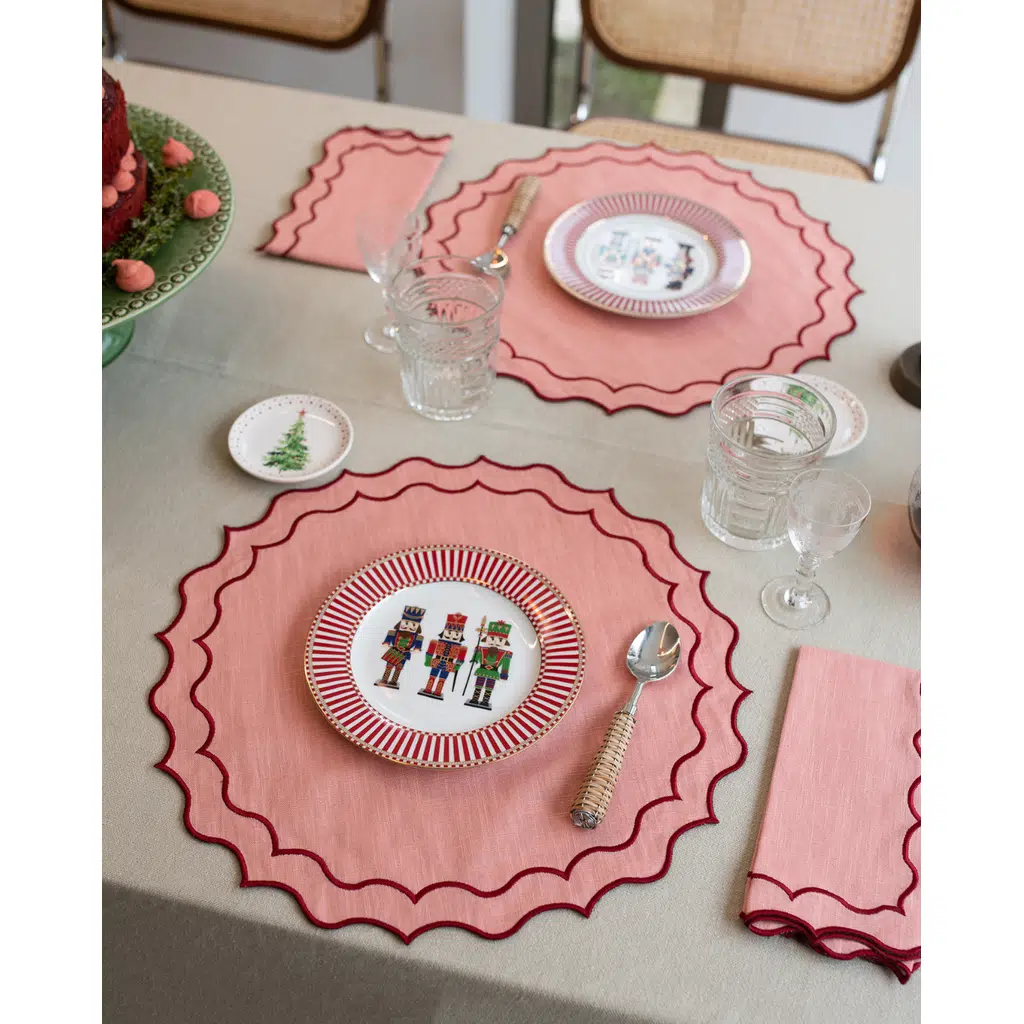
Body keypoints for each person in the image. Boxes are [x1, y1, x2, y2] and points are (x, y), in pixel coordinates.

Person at [465, 620, 513, 711]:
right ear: (486, 638)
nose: (495, 642)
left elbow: (506, 664)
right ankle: (475, 699)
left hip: (493, 673)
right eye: (492, 638)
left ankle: (485, 701)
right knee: (478, 685)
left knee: (489, 687)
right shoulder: (482, 649)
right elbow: (477, 656)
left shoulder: (505, 654)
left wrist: (504, 673)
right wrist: (474, 659)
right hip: (482, 670)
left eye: (500, 640)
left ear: (505, 642)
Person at [419, 613, 468, 700]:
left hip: (449, 664)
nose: (452, 635)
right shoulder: (436, 642)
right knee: (432, 676)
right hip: (437, 661)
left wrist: (457, 666)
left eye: (457, 634)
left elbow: (461, 658)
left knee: (443, 678)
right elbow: (430, 651)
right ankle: (428, 689)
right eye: (449, 632)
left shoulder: (462, 648)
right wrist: (428, 660)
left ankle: (438, 691)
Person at [376, 605, 425, 689]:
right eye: (406, 623)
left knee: (399, 667)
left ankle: (394, 681)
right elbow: (388, 638)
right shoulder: (393, 632)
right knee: (389, 666)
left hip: (405, 653)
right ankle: (384, 679)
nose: (408, 626)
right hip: (394, 650)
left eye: (413, 624)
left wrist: (417, 649)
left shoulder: (418, 637)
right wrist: (386, 643)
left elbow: (418, 645)